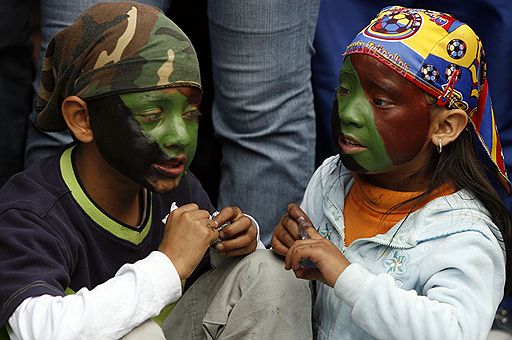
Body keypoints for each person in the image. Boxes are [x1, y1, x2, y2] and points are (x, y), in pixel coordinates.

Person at [0, 3, 311, 339]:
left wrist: (230, 248)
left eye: (190, 114)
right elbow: (36, 330)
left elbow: (209, 282)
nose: (179, 137)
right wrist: (168, 264)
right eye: (152, 115)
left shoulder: (175, 188)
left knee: (271, 272)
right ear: (82, 119)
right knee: (138, 334)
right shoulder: (29, 212)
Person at [272, 6, 512, 339]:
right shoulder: (331, 179)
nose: (349, 114)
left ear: (444, 126)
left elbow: (455, 331)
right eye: (345, 90)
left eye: (380, 100)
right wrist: (284, 249)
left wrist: (346, 276)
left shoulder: (465, 234)